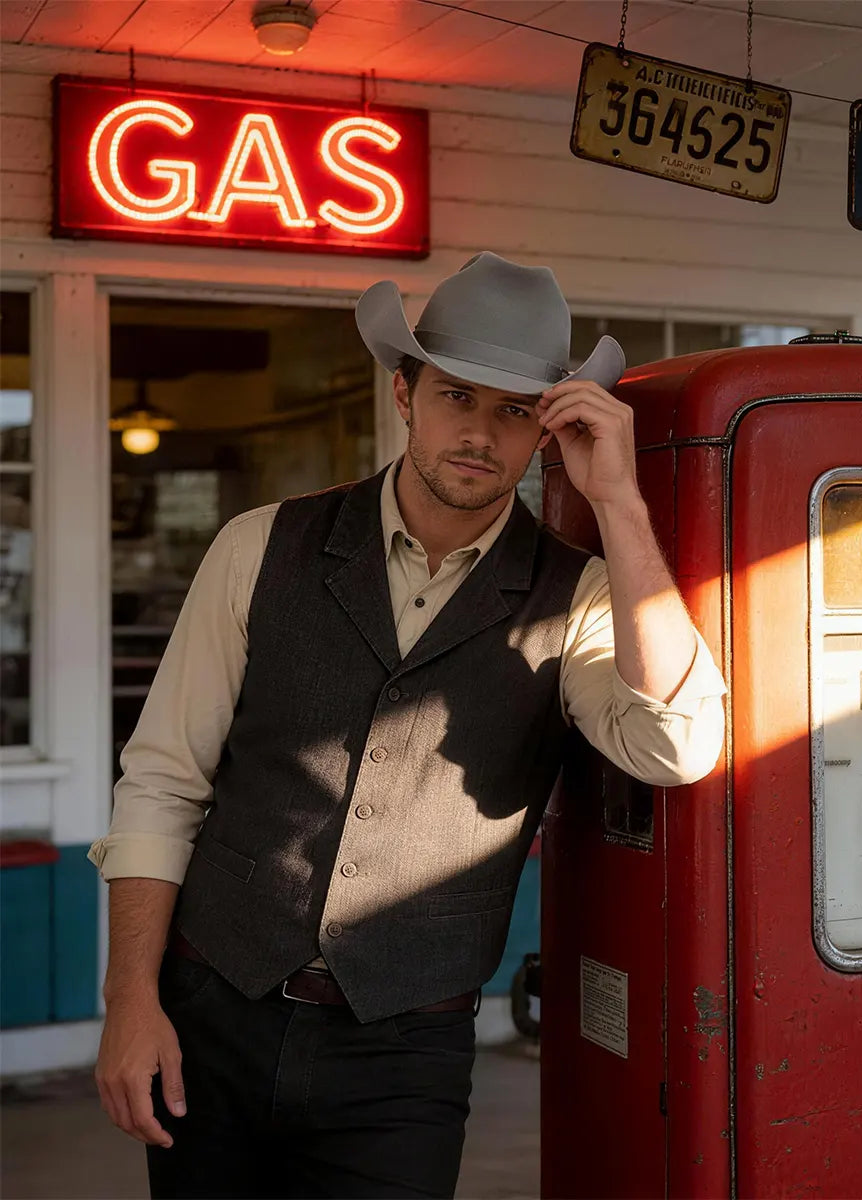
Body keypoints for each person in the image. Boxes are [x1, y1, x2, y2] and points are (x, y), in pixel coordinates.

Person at [89, 251, 726, 1199]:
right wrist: (129, 999)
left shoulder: (584, 592)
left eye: (517, 410)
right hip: (211, 1011)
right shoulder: (260, 546)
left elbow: (679, 749)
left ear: (549, 429)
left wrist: (620, 506)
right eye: (458, 396)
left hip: (405, 1048)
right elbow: (162, 781)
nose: (481, 433)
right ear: (404, 391)